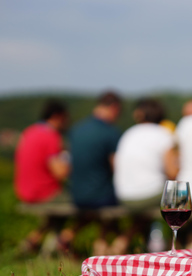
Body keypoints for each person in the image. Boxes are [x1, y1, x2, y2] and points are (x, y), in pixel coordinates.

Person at [114, 98, 178, 252]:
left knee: (140, 220)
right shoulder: (164, 135)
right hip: (148, 196)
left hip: (123, 195)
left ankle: (119, 246)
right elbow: (172, 172)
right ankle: (177, 249)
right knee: (178, 203)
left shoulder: (129, 133)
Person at [14, 99, 72, 255]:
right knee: (81, 203)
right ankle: (60, 244)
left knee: (57, 214)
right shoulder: (51, 136)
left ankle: (33, 240)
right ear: (58, 117)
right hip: (44, 192)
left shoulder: (29, 132)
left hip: (24, 190)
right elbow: (60, 172)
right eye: (66, 118)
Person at [69, 90, 123, 255]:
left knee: (95, 210)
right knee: (115, 208)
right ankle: (105, 246)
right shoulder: (110, 132)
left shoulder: (76, 129)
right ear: (114, 108)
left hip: (76, 195)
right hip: (100, 196)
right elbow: (116, 167)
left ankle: (67, 236)